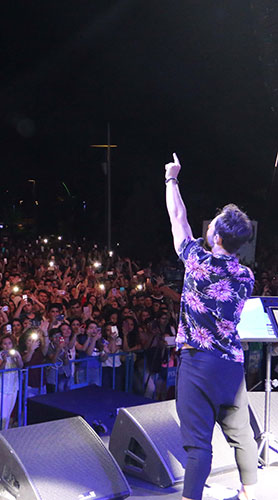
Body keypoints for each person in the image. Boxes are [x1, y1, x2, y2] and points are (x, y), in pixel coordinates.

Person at [165, 153, 257, 500]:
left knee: (198, 445)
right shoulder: (246, 275)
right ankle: (249, 492)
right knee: (241, 433)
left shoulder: (196, 261)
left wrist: (172, 178)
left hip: (198, 364)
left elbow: (178, 217)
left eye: (213, 223)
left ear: (216, 236)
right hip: (232, 365)